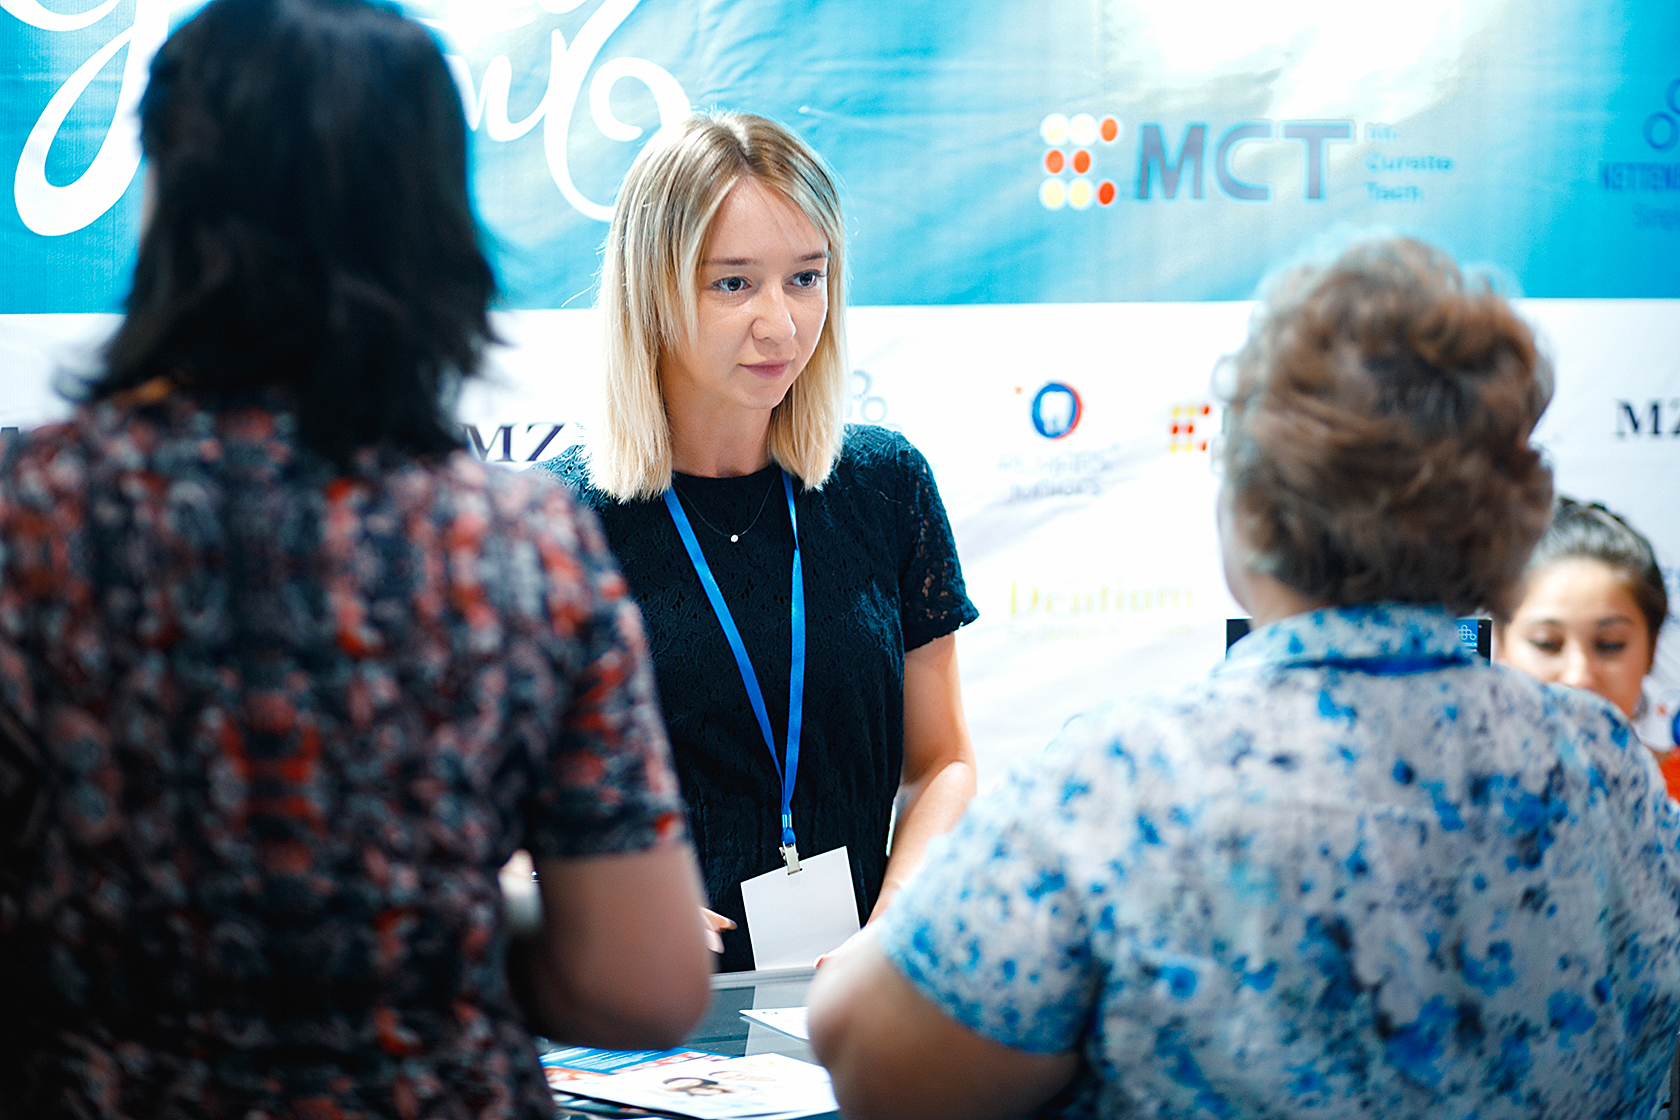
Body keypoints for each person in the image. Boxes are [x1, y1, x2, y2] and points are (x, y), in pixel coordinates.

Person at [0, 1, 711, 1117]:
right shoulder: (518, 543)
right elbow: (644, 983)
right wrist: (436, 925)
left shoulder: (31, 516)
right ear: (435, 221)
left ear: (170, 203)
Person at [808, 237, 1680, 1118]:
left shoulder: (1128, 778)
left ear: (1252, 506)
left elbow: (875, 1067)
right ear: (1510, 518)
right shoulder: (1606, 766)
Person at [538, 111, 978, 971]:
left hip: (850, 998)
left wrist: (897, 919)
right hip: (641, 1001)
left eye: (806, 277)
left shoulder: (886, 485)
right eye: (733, 284)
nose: (781, 324)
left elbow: (943, 764)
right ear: (650, 291)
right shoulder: (556, 524)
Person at [1496, 497, 1676, 790]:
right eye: (1546, 643)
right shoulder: (1445, 792)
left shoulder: (1669, 794)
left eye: (1610, 645)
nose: (1578, 677)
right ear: (1501, 646)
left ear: (1651, 650)